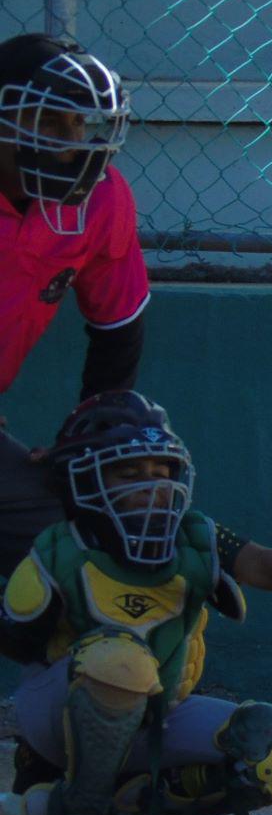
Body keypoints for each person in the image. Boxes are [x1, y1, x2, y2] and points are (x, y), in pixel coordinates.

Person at [0, 391, 272, 815]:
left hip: (160, 713)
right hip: (60, 710)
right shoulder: (61, 548)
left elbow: (259, 563)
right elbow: (17, 640)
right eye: (129, 473)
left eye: (160, 473)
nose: (152, 486)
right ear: (84, 477)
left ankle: (132, 810)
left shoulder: (195, 536)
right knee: (120, 659)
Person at [0, 33, 148, 577]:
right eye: (52, 123)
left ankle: (80, 664)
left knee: (90, 546)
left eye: (82, 125)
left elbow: (118, 328)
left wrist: (85, 440)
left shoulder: (103, 200)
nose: (75, 143)